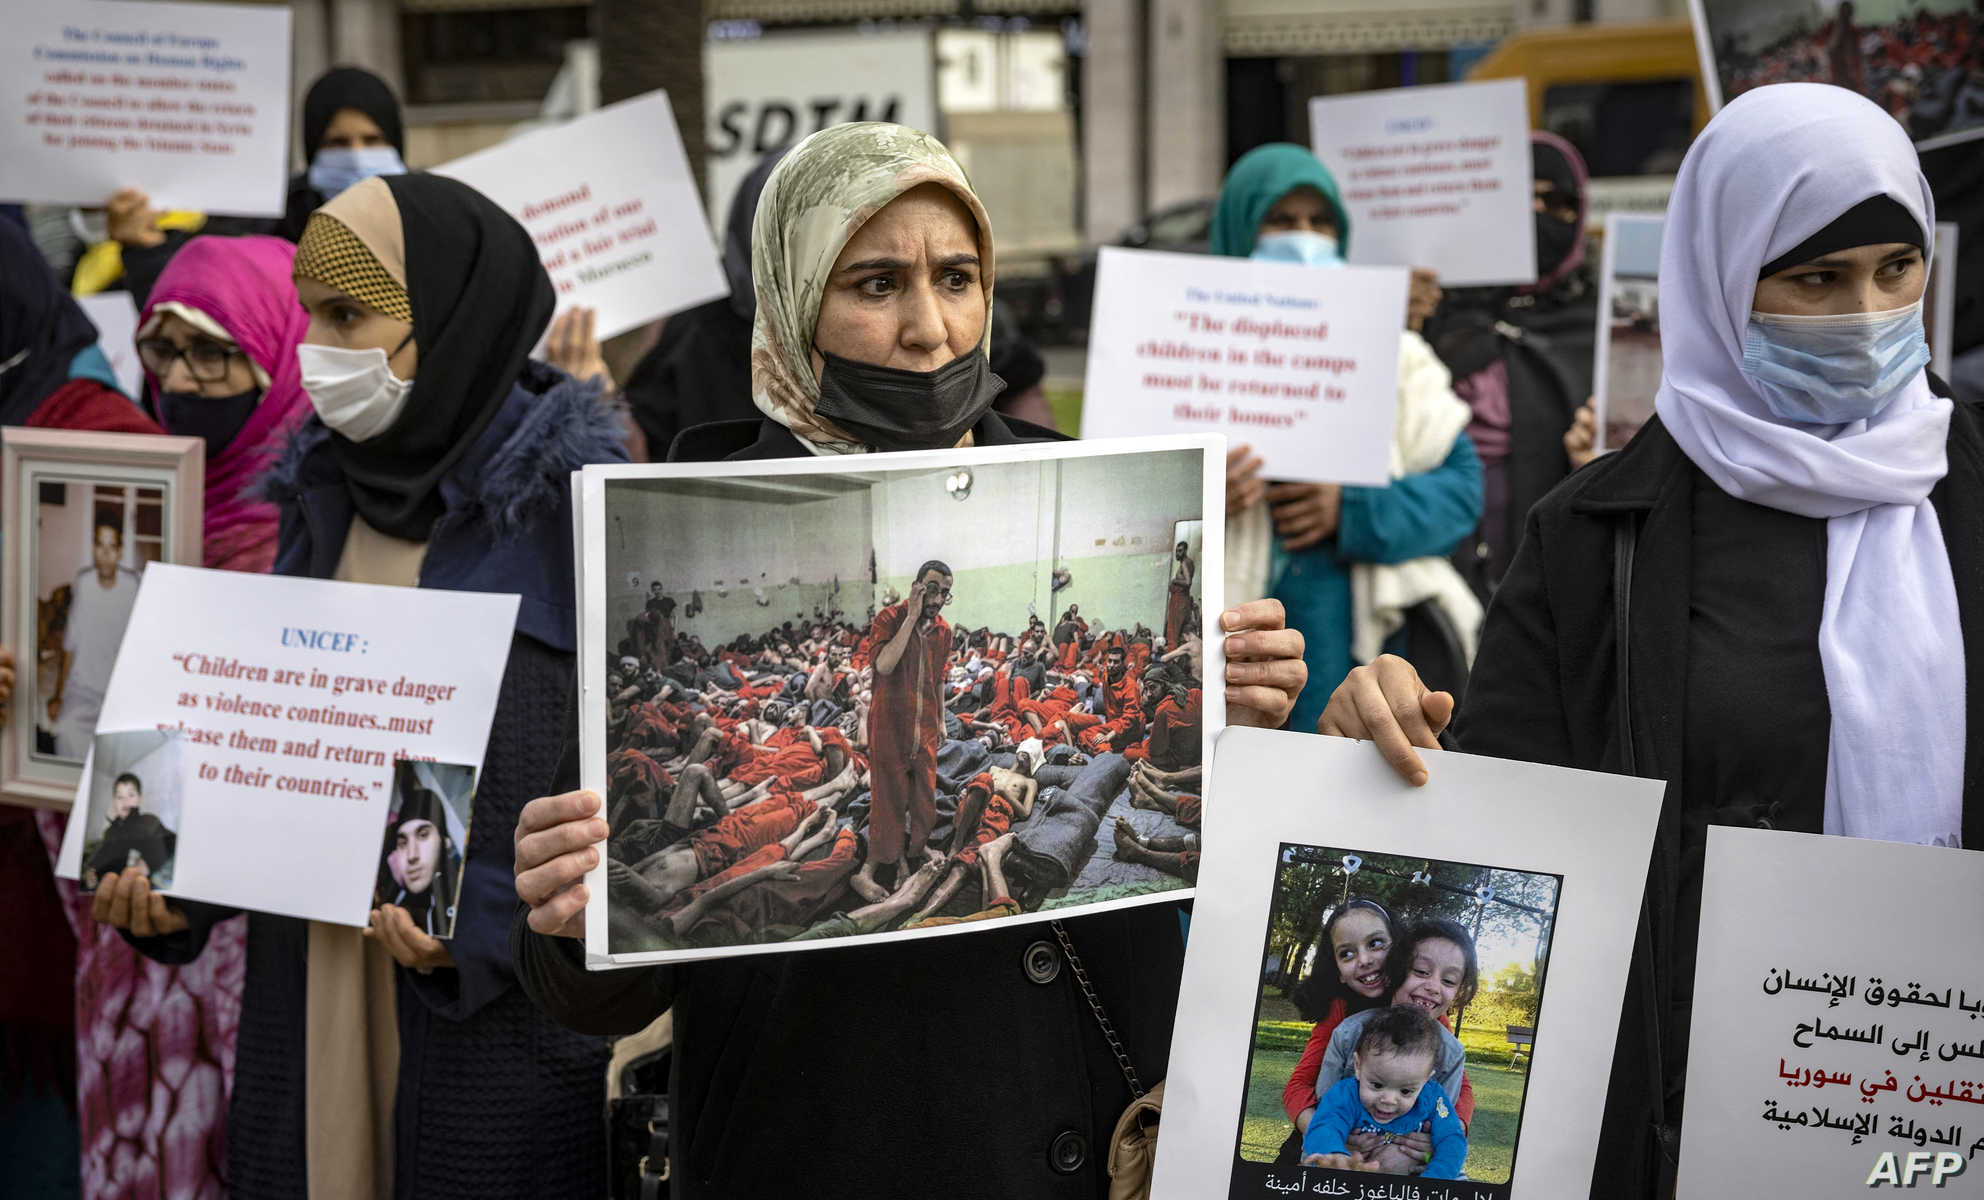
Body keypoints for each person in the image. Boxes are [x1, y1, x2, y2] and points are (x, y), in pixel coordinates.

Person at [511, 121, 1308, 1198]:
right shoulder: (643, 520)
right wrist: (570, 916)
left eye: (957, 278)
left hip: (1085, 1114)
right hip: (829, 1137)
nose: (929, 329)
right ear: (792, 304)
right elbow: (597, 998)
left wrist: (1249, 727)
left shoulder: (1069, 469)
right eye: (876, 284)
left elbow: (1222, 866)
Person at [1314, 84, 1967, 1198]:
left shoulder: (1969, 491)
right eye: (1815, 278)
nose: (1865, 314)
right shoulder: (1593, 537)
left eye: (1894, 272)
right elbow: (1507, 826)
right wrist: (1373, 746)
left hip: (1937, 1102)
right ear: (1720, 277)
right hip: (1682, 1128)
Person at [90, 172, 626, 1198]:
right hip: (316, 1005)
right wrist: (165, 893)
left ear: (455, 320)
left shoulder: (570, 527)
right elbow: (269, 749)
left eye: (350, 315)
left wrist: (465, 938)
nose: (317, 351)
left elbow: (610, 820)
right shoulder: (319, 496)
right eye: (311, 316)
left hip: (490, 1047)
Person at [1214, 144, 1483, 729]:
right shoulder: (1190, 350)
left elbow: (1462, 490)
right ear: (1238, 230)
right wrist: (1204, 491)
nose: (1305, 238)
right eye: (1281, 221)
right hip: (1230, 647)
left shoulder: (1397, 355)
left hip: (1356, 637)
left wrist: (1352, 509)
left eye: (1321, 222)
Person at [1423, 132, 1598, 593]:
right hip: (1446, 570)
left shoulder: (1599, 329)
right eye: (1522, 199)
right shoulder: (1435, 318)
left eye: (1556, 201)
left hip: (1556, 579)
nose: (1538, 215)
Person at [136, 234, 319, 570]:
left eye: (208, 352)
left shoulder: (326, 530)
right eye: (161, 350)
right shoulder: (140, 504)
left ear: (283, 365)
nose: (175, 381)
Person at [854, 559, 953, 900]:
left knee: (925, 798)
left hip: (923, 725)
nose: (938, 600)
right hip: (889, 725)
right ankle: (894, 861)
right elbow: (883, 665)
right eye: (933, 590)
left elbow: (938, 678)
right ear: (917, 586)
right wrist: (910, 617)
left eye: (946, 594)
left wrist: (940, 719)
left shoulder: (944, 631)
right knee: (889, 798)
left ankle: (916, 848)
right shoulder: (889, 619)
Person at [1302, 1005, 1468, 1177]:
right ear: (1358, 1066)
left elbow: (1452, 1140)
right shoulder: (1345, 1093)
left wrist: (1434, 1178)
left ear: (1426, 1080)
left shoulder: (1433, 1098)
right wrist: (1334, 1155)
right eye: (1377, 1085)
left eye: (1405, 1091)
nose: (1389, 1099)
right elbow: (1325, 1124)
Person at [49, 524, 141, 759]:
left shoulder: (132, 585)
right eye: (100, 545)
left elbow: (140, 642)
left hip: (117, 689)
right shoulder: (84, 583)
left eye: (112, 546)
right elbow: (71, 643)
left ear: (120, 551)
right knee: (66, 729)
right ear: (93, 549)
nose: (106, 554)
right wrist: (59, 696)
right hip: (83, 688)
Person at [379, 779, 464, 939]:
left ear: (445, 842)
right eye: (403, 843)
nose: (412, 855)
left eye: (423, 835)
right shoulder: (393, 907)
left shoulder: (463, 901)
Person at [81, 772, 175, 889]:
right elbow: (101, 856)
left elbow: (171, 841)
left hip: (143, 881)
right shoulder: (110, 832)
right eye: (119, 797)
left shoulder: (149, 820)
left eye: (131, 795)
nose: (125, 801)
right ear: (114, 802)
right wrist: (90, 870)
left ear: (139, 798)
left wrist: (149, 863)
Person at [1166, 539, 1196, 647]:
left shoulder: (1184, 562)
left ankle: (1173, 657)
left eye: (1180, 551)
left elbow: (1188, 582)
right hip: (1182, 600)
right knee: (1181, 632)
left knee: (1173, 632)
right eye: (1177, 551)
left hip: (1179, 601)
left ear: (1185, 551)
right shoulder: (1189, 562)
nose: (1177, 553)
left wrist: (1174, 580)